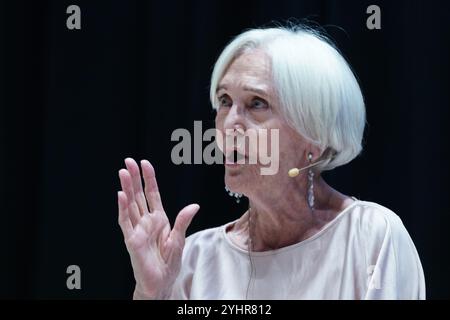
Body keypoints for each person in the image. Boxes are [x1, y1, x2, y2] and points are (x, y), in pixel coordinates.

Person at [117, 25, 425, 299]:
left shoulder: (372, 237)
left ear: (313, 138)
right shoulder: (193, 257)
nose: (229, 124)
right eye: (224, 101)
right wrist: (151, 294)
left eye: (256, 103)